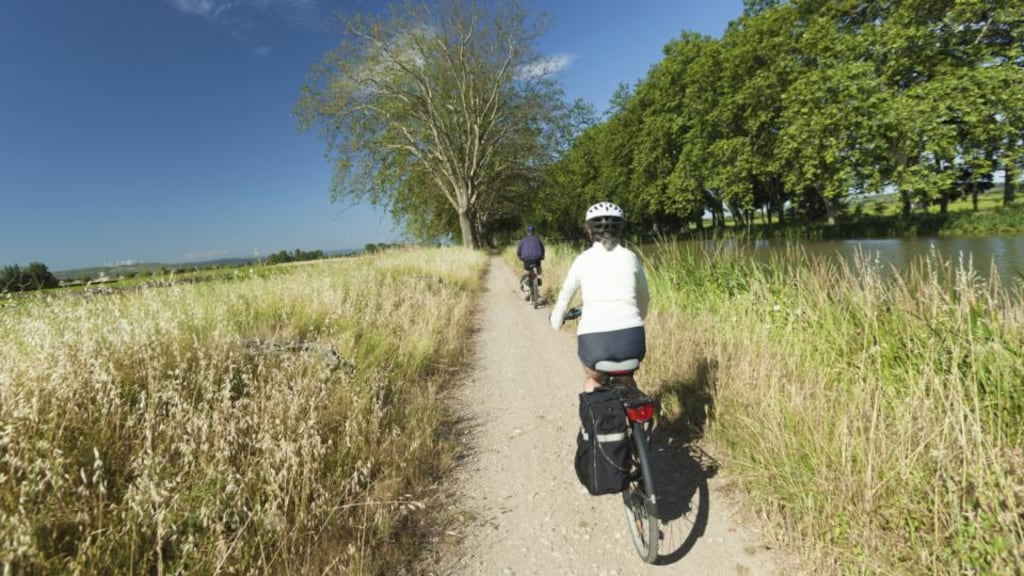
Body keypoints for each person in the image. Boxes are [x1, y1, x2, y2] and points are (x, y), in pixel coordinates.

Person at [549, 202, 650, 392]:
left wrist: (556, 321)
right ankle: (636, 414)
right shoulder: (631, 257)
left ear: (589, 231)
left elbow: (565, 295)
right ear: (621, 230)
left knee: (592, 379)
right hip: (632, 337)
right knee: (627, 378)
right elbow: (644, 295)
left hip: (594, 341)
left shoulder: (582, 260)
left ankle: (594, 421)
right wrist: (639, 316)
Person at [516, 224, 545, 290]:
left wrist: (519, 257)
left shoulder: (523, 240)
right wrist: (542, 256)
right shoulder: (538, 239)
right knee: (538, 266)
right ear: (534, 231)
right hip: (537, 259)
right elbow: (542, 249)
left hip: (527, 260)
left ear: (527, 231)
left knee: (528, 270)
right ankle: (538, 270)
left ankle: (524, 284)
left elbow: (519, 251)